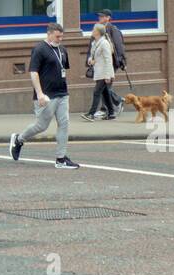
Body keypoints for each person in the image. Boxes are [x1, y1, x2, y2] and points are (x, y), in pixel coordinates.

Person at [9, 22, 79, 169]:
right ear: (49, 33)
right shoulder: (39, 49)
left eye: (61, 37)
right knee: (41, 126)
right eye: (57, 36)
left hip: (62, 93)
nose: (60, 39)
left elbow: (63, 70)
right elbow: (34, 72)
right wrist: (40, 94)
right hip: (46, 96)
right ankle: (19, 139)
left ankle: (61, 159)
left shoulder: (62, 49)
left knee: (64, 123)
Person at [82, 23, 117, 121]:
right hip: (98, 72)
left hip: (104, 73)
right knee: (105, 93)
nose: (92, 31)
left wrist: (108, 75)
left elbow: (108, 60)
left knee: (96, 92)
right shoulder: (95, 42)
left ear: (98, 32)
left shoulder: (104, 43)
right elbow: (92, 55)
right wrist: (90, 61)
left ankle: (91, 114)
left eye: (94, 29)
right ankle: (111, 113)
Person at [98, 9, 129, 107]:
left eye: (102, 16)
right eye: (99, 16)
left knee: (105, 86)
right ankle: (110, 106)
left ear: (108, 18)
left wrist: (122, 61)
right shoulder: (100, 29)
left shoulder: (113, 29)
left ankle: (114, 103)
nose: (100, 18)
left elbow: (119, 47)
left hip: (111, 62)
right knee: (104, 86)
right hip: (103, 62)